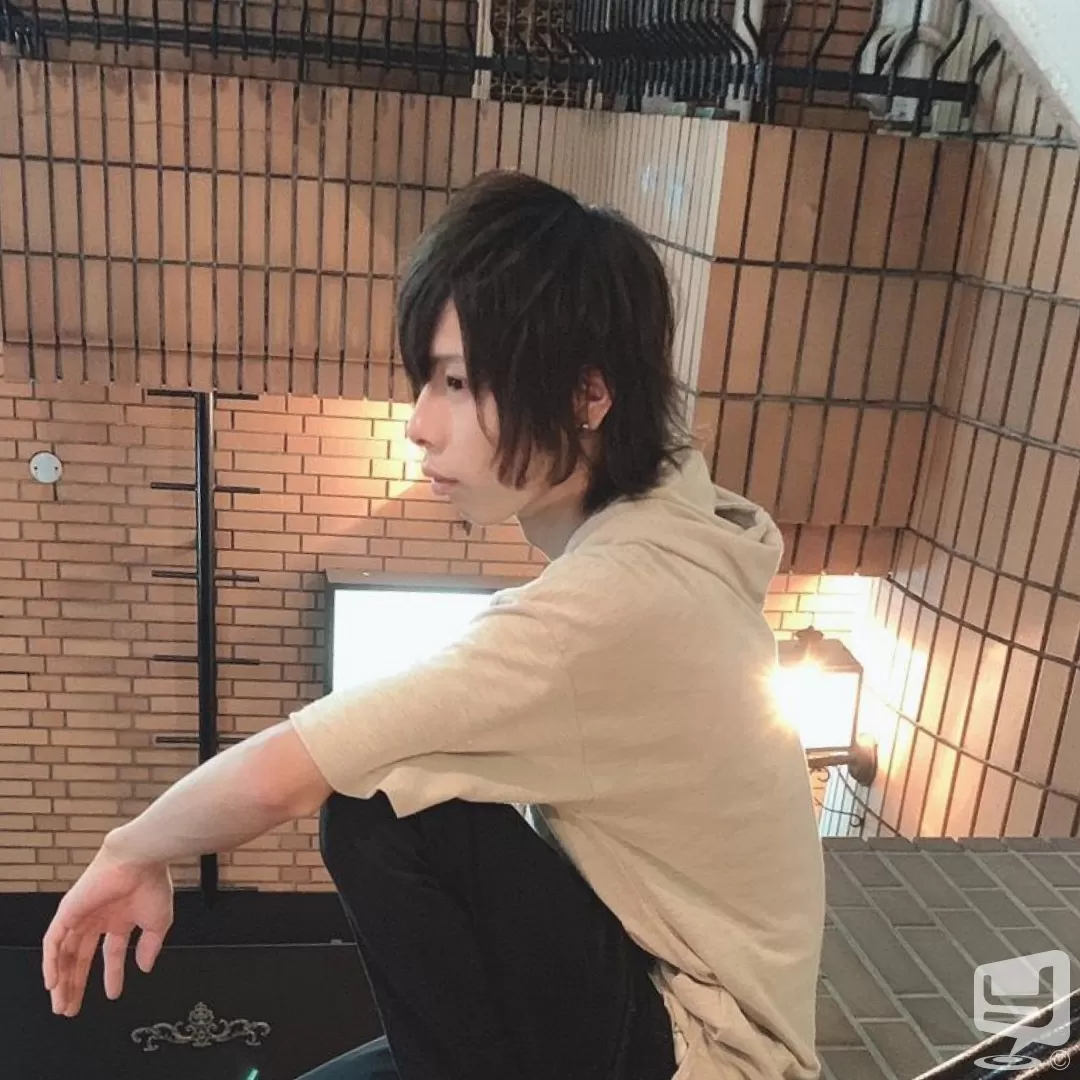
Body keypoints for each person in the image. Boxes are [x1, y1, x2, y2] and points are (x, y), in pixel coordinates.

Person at [42, 170, 826, 1080]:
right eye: (427, 378)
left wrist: (131, 848)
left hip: (703, 1050)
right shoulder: (672, 508)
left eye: (458, 382)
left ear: (588, 396)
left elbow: (292, 770)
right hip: (647, 982)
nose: (419, 423)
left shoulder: (611, 602)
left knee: (374, 801)